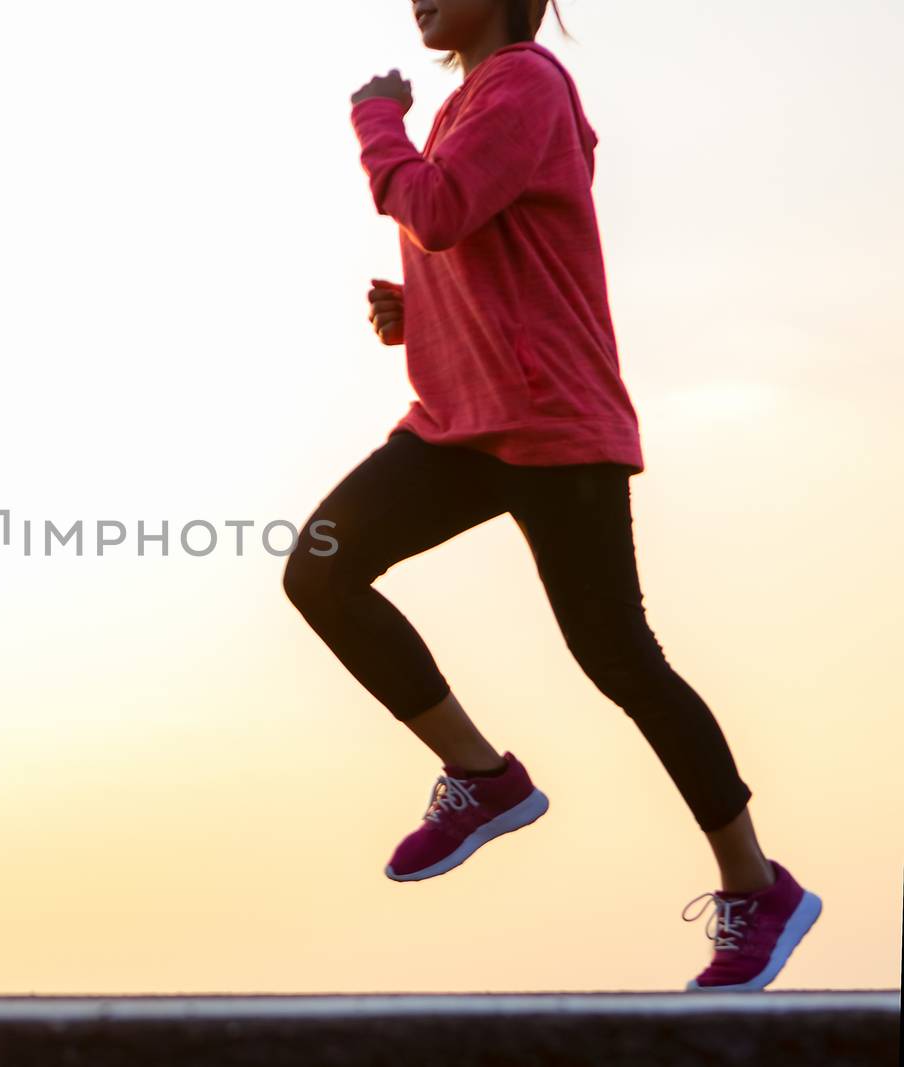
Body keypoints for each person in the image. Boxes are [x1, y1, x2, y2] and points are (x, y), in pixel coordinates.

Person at [281, 0, 821, 991]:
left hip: (552, 426)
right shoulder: (474, 104)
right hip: (464, 423)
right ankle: (482, 777)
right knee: (320, 564)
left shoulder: (522, 84)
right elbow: (480, 242)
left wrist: (374, 120)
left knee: (619, 658)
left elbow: (436, 210)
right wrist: (420, 308)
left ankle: (757, 884)